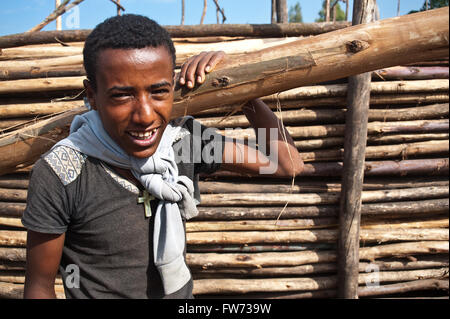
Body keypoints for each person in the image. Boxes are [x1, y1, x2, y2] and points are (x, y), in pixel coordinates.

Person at [22, 14, 304, 299]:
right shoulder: (63, 171)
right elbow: (39, 286)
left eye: (159, 91)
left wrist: (242, 90)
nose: (145, 115)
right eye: (122, 96)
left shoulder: (182, 142)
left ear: (171, 85)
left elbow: (287, 163)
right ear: (92, 94)